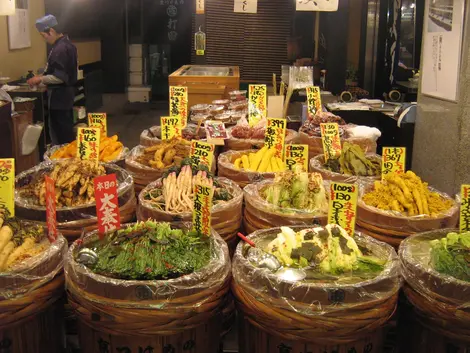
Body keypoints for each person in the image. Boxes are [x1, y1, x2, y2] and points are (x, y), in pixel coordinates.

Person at [27, 14, 78, 145]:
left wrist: (40, 79)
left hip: (59, 98)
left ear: (51, 31)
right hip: (67, 97)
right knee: (66, 129)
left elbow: (59, 77)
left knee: (61, 134)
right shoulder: (68, 45)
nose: (44, 39)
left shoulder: (59, 49)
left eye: (44, 36)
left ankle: (65, 160)